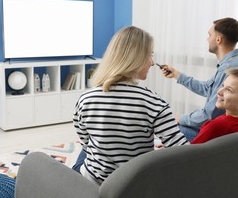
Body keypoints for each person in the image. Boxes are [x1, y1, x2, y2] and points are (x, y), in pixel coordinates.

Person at [72, 26, 189, 185]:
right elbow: (183, 153)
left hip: (94, 181)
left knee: (84, 155)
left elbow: (86, 144)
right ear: (136, 58)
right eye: (150, 56)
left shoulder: (85, 99)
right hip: (132, 186)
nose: (152, 63)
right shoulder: (154, 102)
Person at [160, 17, 238, 141]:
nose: (207, 39)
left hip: (236, 137)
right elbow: (208, 87)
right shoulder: (236, 61)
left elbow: (209, 115)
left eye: (209, 34)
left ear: (218, 39)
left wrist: (179, 118)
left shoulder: (230, 68)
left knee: (171, 130)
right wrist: (177, 74)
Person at [191, 67, 238, 144]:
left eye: (229, 90)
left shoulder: (215, 126)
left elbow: (189, 153)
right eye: (223, 86)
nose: (219, 91)